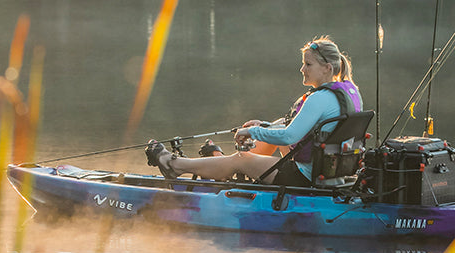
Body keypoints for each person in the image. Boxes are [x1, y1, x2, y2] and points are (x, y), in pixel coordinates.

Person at [145, 36, 363, 187]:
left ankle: (174, 165)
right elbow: (298, 128)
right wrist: (264, 127)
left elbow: (290, 136)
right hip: (328, 172)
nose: (302, 69)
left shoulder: (319, 99)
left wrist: (254, 132)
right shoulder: (349, 92)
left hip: (305, 177)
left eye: (308, 64)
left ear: (327, 68)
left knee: (242, 158)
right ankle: (223, 166)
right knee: (268, 139)